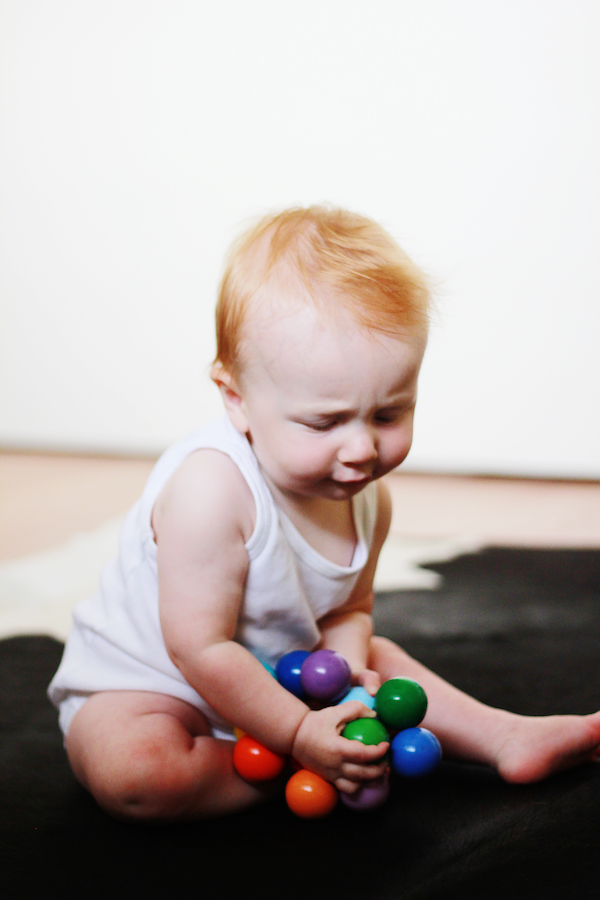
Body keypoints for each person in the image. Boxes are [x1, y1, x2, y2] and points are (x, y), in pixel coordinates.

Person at [48, 205, 600, 822]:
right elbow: (199, 650)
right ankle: (315, 766)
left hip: (295, 679)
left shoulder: (368, 499)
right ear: (236, 399)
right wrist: (297, 734)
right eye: (324, 422)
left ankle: (503, 737)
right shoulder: (210, 492)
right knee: (136, 773)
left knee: (383, 662)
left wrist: (347, 678)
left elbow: (347, 610)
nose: (362, 448)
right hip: (157, 686)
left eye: (388, 414)